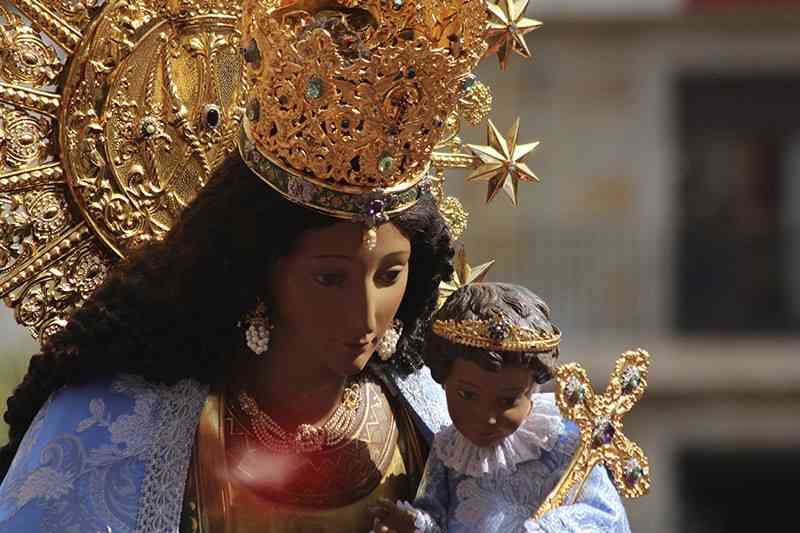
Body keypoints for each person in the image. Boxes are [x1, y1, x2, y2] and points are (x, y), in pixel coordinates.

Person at [0, 0, 498, 529]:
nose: (365, 314)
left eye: (390, 275)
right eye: (330, 278)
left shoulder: (444, 421)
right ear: (262, 270)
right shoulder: (118, 429)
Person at [369, 283, 631, 533]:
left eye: (508, 401)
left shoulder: (563, 440)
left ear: (532, 388)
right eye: (467, 395)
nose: (486, 418)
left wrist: (550, 527)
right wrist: (415, 524)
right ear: (443, 380)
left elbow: (605, 516)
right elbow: (437, 518)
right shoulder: (448, 450)